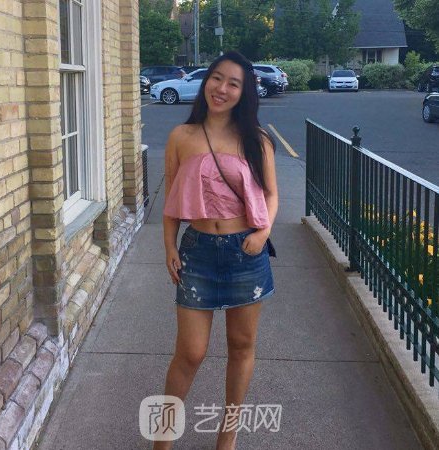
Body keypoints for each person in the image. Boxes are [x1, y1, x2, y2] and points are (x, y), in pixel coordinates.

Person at [156, 50, 278, 450]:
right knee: (190, 353)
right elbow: (172, 200)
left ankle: (228, 436)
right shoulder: (182, 137)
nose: (221, 88)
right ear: (205, 81)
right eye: (216, 78)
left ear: (244, 93)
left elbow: (271, 195)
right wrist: (169, 246)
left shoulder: (257, 140)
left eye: (233, 83)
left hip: (246, 253)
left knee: (241, 347)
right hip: (198, 252)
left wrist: (263, 233)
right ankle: (162, 439)